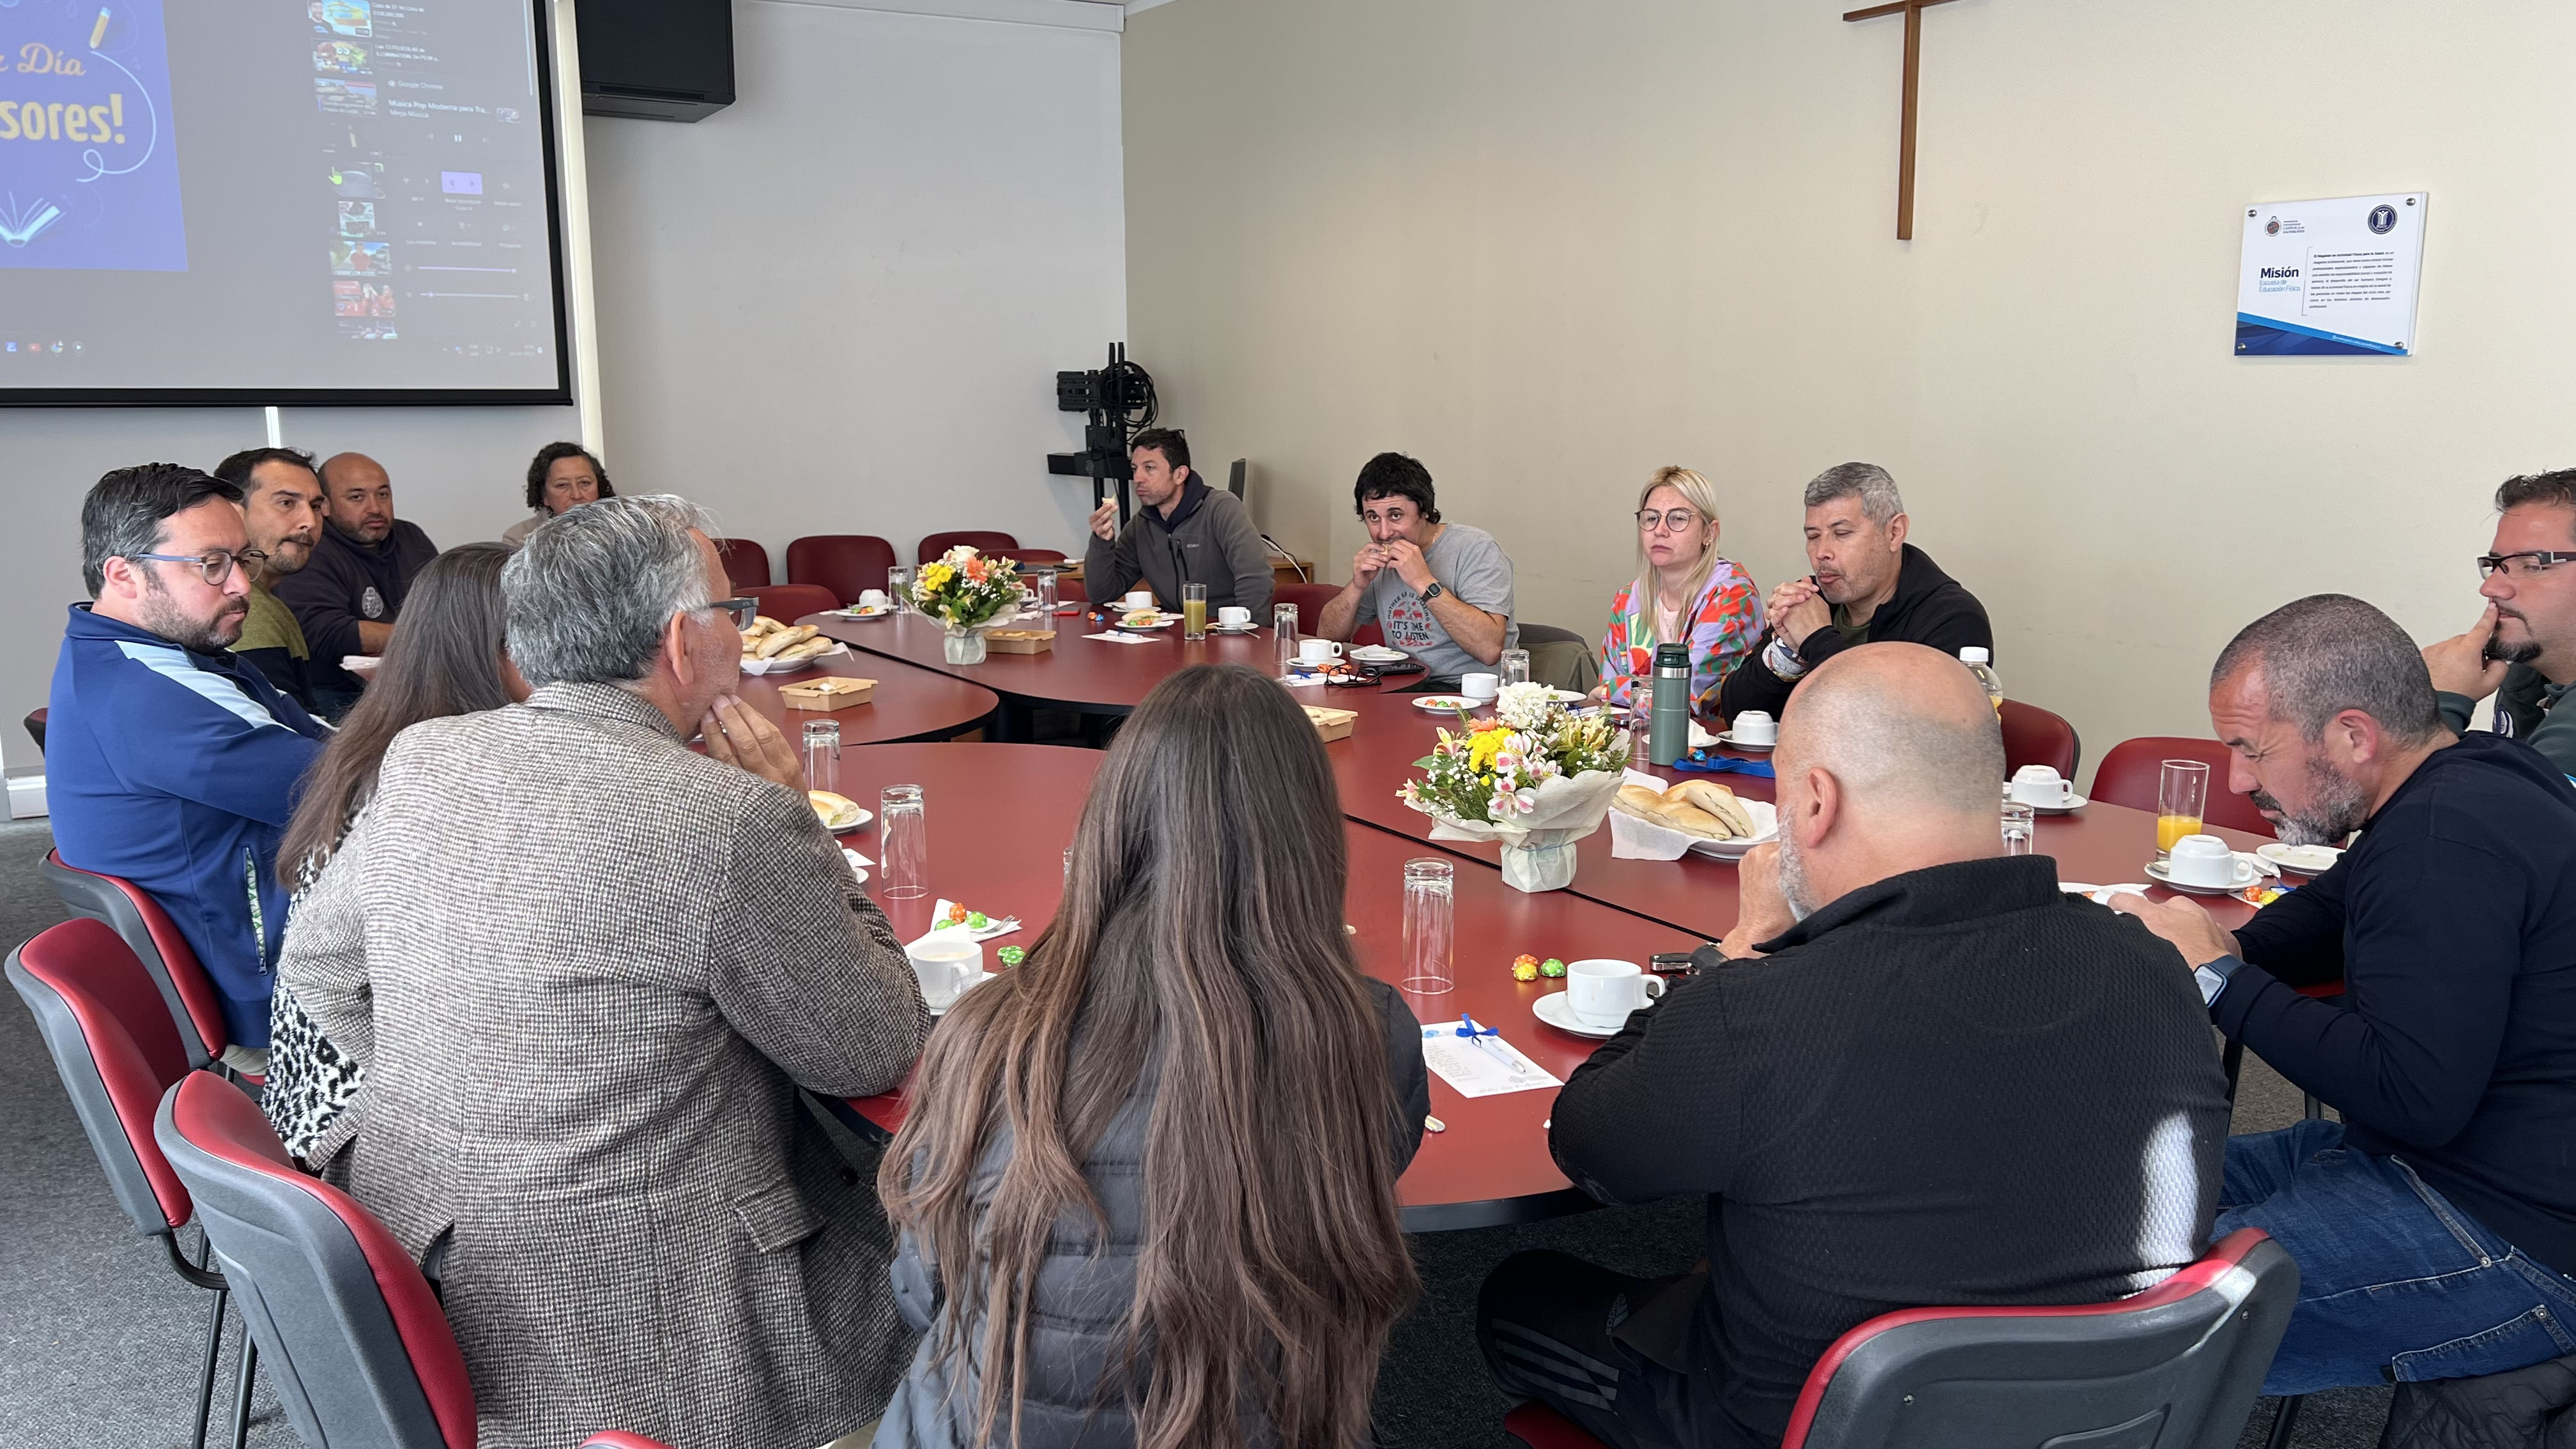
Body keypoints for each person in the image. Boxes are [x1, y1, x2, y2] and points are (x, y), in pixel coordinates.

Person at [280, 496, 930, 1449]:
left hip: (420, 1265)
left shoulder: (426, 757)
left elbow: (319, 966)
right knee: (968, 1248)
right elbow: (870, 1049)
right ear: (680, 641)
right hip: (659, 1317)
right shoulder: (729, 817)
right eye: (731, 612)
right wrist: (801, 819)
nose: (739, 632)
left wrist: (475, 1084)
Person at [1480, 642, 2229, 1449]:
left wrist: (1734, 950)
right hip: (2115, 1416)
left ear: (1815, 802)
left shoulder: (1762, 1008)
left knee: (1520, 1294)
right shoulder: (2157, 969)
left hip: (1802, 1425)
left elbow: (1590, 1145)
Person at [877, 662, 1427, 1449]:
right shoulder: (1366, 1032)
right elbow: (1345, 1226)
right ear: (1307, 843)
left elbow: (924, 1292)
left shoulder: (984, 1029)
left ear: (1112, 823)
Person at [2110, 595, 2576, 1394]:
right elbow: (2332, 910)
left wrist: (2218, 978)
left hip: (2510, 1230)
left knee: (2112, 1312)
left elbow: (2410, 1095)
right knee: (2099, 1201)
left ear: (2355, 735)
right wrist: (2225, 950)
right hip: (2436, 1164)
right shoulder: (2472, 774)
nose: (2239, 779)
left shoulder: (2444, 837)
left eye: (2252, 751)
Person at [49, 464, 332, 1072]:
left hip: (274, 937)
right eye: (211, 565)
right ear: (124, 575)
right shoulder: (145, 693)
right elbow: (347, 789)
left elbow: (322, 741)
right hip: (277, 994)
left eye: (243, 559)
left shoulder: (174, 653)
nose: (242, 585)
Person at [264, 543, 528, 1167]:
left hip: (312, 1092)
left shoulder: (382, 737)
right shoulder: (432, 778)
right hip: (364, 1122)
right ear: (500, 651)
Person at [1715, 462, 1991, 724]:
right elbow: (1737, 712)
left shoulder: (1953, 619)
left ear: (1894, 533)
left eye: (1842, 533)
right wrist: (1788, 654)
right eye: (1813, 536)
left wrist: (1817, 639)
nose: (1822, 552)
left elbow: (1900, 731)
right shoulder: (1811, 600)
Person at [2421, 468, 2576, 781]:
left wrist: (2442, 706)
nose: (2490, 588)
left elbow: (2458, 812)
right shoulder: (2526, 674)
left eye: (2531, 566)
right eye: (2495, 565)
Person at [1315, 452, 1516, 683]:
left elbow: (1489, 650)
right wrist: (1357, 586)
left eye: (1395, 515)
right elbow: (1327, 639)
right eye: (1373, 517)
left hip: (1468, 689)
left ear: (1425, 510)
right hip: (1402, 684)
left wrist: (1422, 581)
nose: (1384, 533)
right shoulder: (1381, 560)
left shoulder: (1476, 548)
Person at [272, 450, 439, 716]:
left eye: (383, 495)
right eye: (357, 497)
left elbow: (444, 606)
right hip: (340, 691)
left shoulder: (410, 536)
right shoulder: (311, 546)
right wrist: (425, 635)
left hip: (417, 679)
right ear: (325, 505)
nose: (375, 508)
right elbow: (327, 632)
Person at [1597, 466, 1762, 719]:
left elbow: (1681, 696)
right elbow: (1610, 708)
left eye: (1678, 518)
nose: (1660, 530)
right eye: (1651, 518)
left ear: (1709, 532)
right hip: (1636, 739)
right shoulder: (1627, 600)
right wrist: (1615, 691)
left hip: (1712, 742)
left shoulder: (1733, 596)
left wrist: (1614, 690)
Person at [1080, 427, 1272, 617]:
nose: (1137, 478)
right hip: (1174, 628)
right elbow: (1102, 594)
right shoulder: (1140, 525)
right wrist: (1101, 542)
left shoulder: (1221, 508)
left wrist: (1246, 630)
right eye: (1135, 469)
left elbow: (1256, 578)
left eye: (1149, 468)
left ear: (1180, 475)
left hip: (1224, 627)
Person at [212, 446, 330, 714]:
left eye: (315, 506)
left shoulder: (266, 601)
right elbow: (282, 729)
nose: (310, 522)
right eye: (287, 503)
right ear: (234, 510)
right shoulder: (243, 606)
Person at [502, 440, 616, 547]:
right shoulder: (519, 540)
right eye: (562, 485)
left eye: (585, 483)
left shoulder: (620, 529)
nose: (577, 495)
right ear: (544, 494)